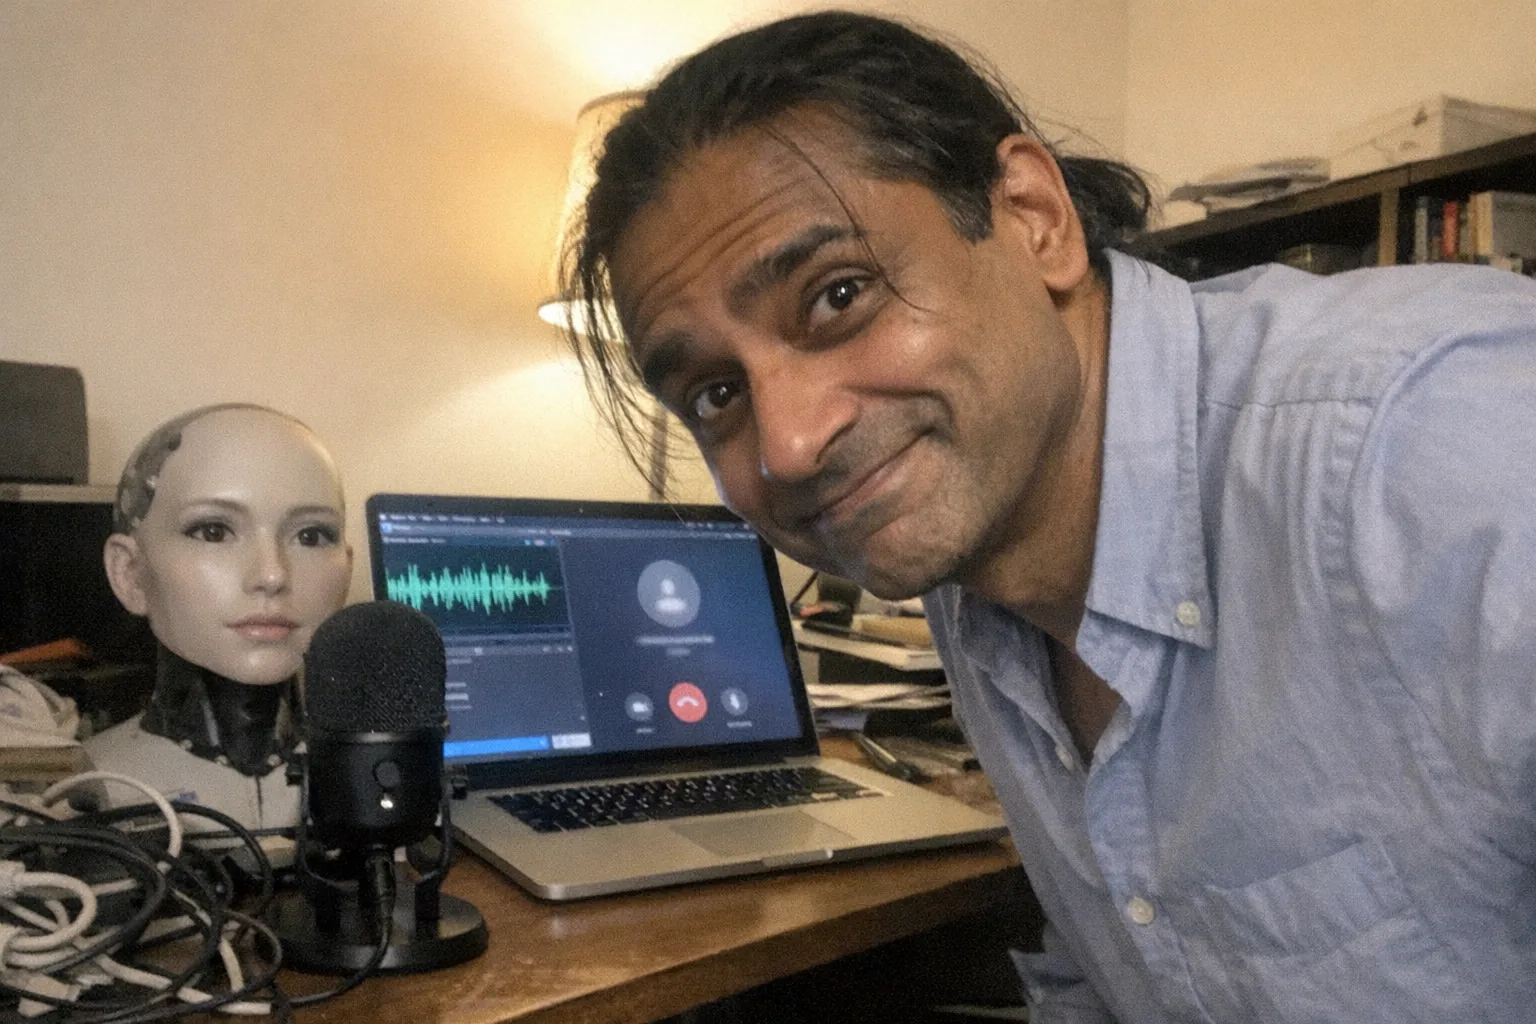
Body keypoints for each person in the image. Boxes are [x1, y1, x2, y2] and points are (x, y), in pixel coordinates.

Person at [558, 11, 1536, 1023]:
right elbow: (1136, 961)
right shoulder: (971, 561)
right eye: (717, 394)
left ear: (1033, 218)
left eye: (838, 294)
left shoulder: (1448, 449)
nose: (789, 445)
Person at [86, 404, 353, 842]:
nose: (272, 574)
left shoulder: (379, 777)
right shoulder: (85, 786)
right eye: (213, 531)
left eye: (311, 536)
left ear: (346, 567)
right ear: (130, 572)